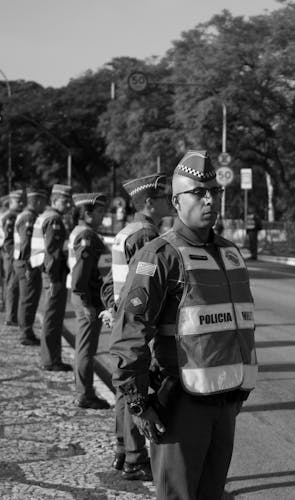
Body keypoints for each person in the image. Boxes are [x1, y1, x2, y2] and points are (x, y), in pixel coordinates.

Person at [109, 150, 256, 500]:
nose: (209, 200)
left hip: (227, 400)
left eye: (214, 193)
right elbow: (129, 331)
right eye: (198, 193)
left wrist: (241, 389)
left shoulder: (230, 252)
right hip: (180, 406)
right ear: (176, 201)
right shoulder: (159, 256)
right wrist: (137, 403)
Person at [102, 173, 171, 481]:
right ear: (148, 203)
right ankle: (135, 458)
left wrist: (111, 307)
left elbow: (109, 279)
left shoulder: (125, 231)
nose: (168, 201)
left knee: (123, 389)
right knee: (136, 388)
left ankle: (122, 449)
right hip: (136, 323)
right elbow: (145, 287)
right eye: (163, 198)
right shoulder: (145, 235)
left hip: (121, 318)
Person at [66, 192, 112, 409]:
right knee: (86, 348)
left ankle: (84, 390)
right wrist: (86, 303)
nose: (104, 215)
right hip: (87, 297)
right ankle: (84, 394)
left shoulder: (82, 232)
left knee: (85, 346)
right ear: (87, 212)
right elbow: (80, 276)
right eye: (100, 211)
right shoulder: (87, 236)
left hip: (84, 296)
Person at [30, 184, 73, 371]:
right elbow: (53, 253)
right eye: (65, 201)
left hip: (47, 273)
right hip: (53, 275)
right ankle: (51, 360)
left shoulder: (44, 216)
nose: (69, 205)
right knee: (53, 318)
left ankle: (50, 357)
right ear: (54, 201)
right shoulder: (54, 219)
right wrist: (55, 279)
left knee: (52, 316)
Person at [13, 189, 48, 346]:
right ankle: (26, 333)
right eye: (43, 202)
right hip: (27, 264)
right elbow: (27, 244)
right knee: (28, 300)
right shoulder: (29, 217)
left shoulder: (26, 215)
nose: (45, 205)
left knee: (27, 299)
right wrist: (28, 266)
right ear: (37, 202)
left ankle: (26, 330)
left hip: (23, 263)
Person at [0, 190, 24, 326]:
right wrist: (15, 256)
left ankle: (11, 314)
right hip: (11, 255)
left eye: (22, 201)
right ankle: (11, 317)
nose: (21, 203)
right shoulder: (10, 217)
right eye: (18, 201)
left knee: (12, 285)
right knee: (12, 285)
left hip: (11, 254)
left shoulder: (16, 215)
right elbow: (8, 241)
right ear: (10, 202)